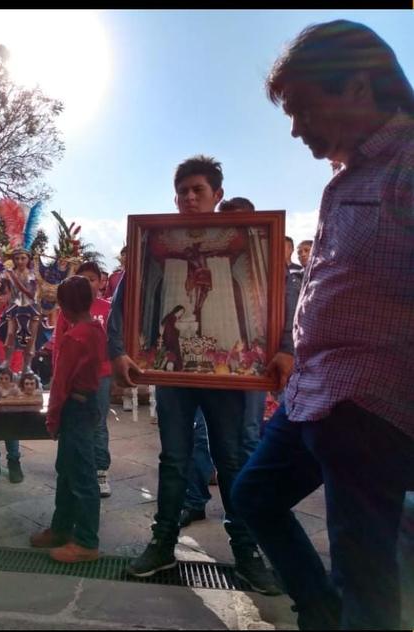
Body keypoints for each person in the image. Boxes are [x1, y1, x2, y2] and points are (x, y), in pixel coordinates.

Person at [231, 20, 414, 630]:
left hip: (369, 409)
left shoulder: (408, 168)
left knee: (366, 577)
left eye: (304, 107)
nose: (295, 127)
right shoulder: (347, 177)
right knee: (253, 496)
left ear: (358, 86)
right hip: (312, 396)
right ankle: (322, 614)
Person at [108, 156, 280, 594]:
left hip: (229, 377)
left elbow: (272, 306)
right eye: (183, 190)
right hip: (173, 374)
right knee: (173, 459)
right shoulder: (155, 243)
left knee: (232, 461)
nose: (189, 197)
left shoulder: (249, 242)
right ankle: (162, 543)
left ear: (217, 194)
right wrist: (119, 352)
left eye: (198, 189)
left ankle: (246, 553)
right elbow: (122, 307)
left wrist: (285, 351)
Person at [29, 275, 106, 564]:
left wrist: (52, 418)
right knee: (67, 469)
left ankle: (86, 540)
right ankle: (61, 527)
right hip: (89, 404)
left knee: (82, 475)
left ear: (63, 306)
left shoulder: (74, 337)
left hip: (75, 407)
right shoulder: (96, 329)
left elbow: (60, 382)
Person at [53, 261, 114, 498]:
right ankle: (77, 468)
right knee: (74, 424)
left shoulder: (107, 309)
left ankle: (100, 470)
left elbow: (115, 340)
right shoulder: (66, 314)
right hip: (73, 380)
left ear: (101, 282)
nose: (88, 283)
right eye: (83, 278)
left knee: (98, 422)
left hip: (102, 375)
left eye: (92, 279)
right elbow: (60, 343)